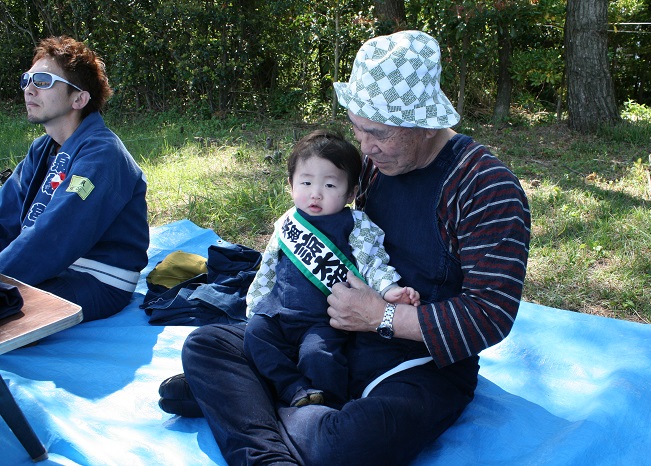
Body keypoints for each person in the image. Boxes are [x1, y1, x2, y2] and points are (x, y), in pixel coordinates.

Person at [158, 30, 531, 465]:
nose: (366, 148)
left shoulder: (486, 188)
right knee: (206, 345)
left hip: (416, 362)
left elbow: (490, 316)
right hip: (327, 331)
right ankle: (272, 426)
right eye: (358, 130)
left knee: (348, 443)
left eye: (380, 134)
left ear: (426, 124)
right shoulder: (378, 163)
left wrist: (381, 316)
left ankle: (246, 402)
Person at [243, 130, 420, 409]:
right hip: (277, 312)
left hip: (322, 321)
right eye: (306, 182)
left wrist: (390, 290)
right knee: (254, 335)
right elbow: (268, 267)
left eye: (329, 185)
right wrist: (255, 304)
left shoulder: (356, 224)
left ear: (350, 192)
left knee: (320, 357)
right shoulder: (288, 223)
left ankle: (329, 407)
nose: (316, 193)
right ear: (291, 185)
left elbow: (373, 262)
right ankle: (292, 388)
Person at [0, 36, 149, 322]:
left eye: (43, 81)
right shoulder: (42, 149)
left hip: (95, 279)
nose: (29, 89)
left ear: (79, 98)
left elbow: (55, 234)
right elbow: (6, 215)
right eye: (27, 80)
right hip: (51, 263)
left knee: (8, 313)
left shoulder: (102, 156)